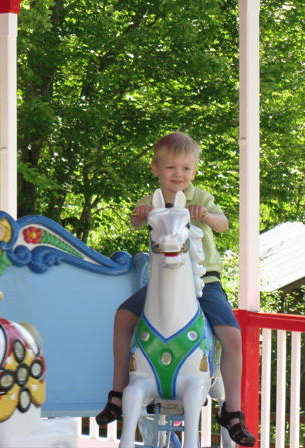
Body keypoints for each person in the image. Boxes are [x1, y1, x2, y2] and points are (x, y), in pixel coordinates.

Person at [95, 132, 256, 447]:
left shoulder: (200, 197)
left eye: (186, 169)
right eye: (171, 168)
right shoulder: (152, 200)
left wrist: (205, 215)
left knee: (232, 336)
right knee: (123, 316)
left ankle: (233, 410)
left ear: (194, 172)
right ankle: (117, 392)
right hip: (163, 281)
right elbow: (134, 222)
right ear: (155, 168)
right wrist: (140, 216)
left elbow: (223, 223)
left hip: (204, 280)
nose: (178, 175)